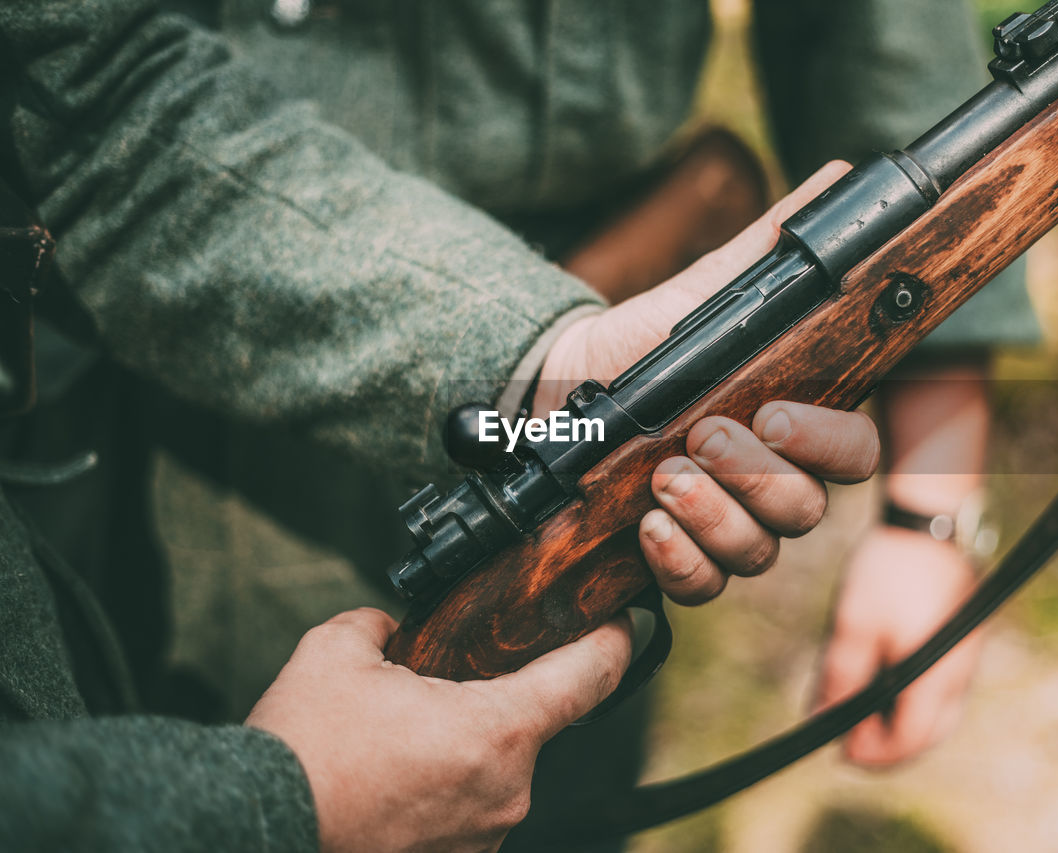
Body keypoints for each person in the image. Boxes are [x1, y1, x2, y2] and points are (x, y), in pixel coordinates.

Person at [0, 3, 886, 850]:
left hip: (530, 398)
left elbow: (94, 100)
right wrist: (282, 807)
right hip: (195, 449)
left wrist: (553, 358)